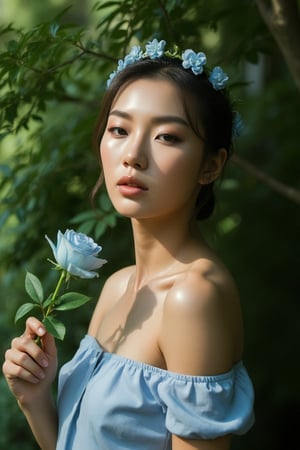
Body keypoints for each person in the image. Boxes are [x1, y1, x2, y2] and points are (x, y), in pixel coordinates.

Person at [2, 39, 255, 450]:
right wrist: (33, 398)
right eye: (119, 129)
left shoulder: (193, 297)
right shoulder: (118, 285)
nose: (133, 155)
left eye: (167, 137)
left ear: (211, 165)